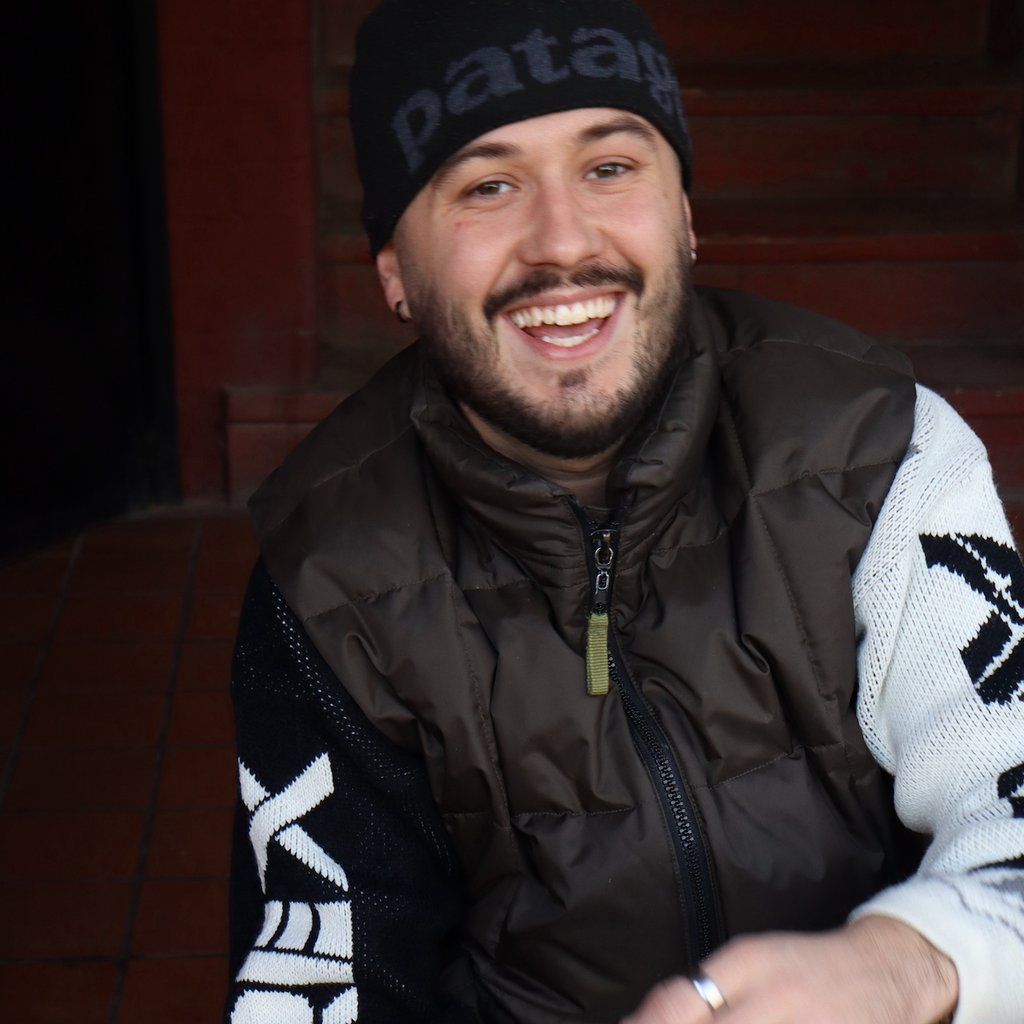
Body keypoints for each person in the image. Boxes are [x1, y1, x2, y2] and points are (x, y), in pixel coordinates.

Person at [224, 1, 1024, 1022]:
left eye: (609, 167)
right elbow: (320, 984)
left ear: (683, 213)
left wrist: (912, 965)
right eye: (489, 185)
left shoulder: (876, 452)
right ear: (396, 273)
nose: (563, 242)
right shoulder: (329, 571)